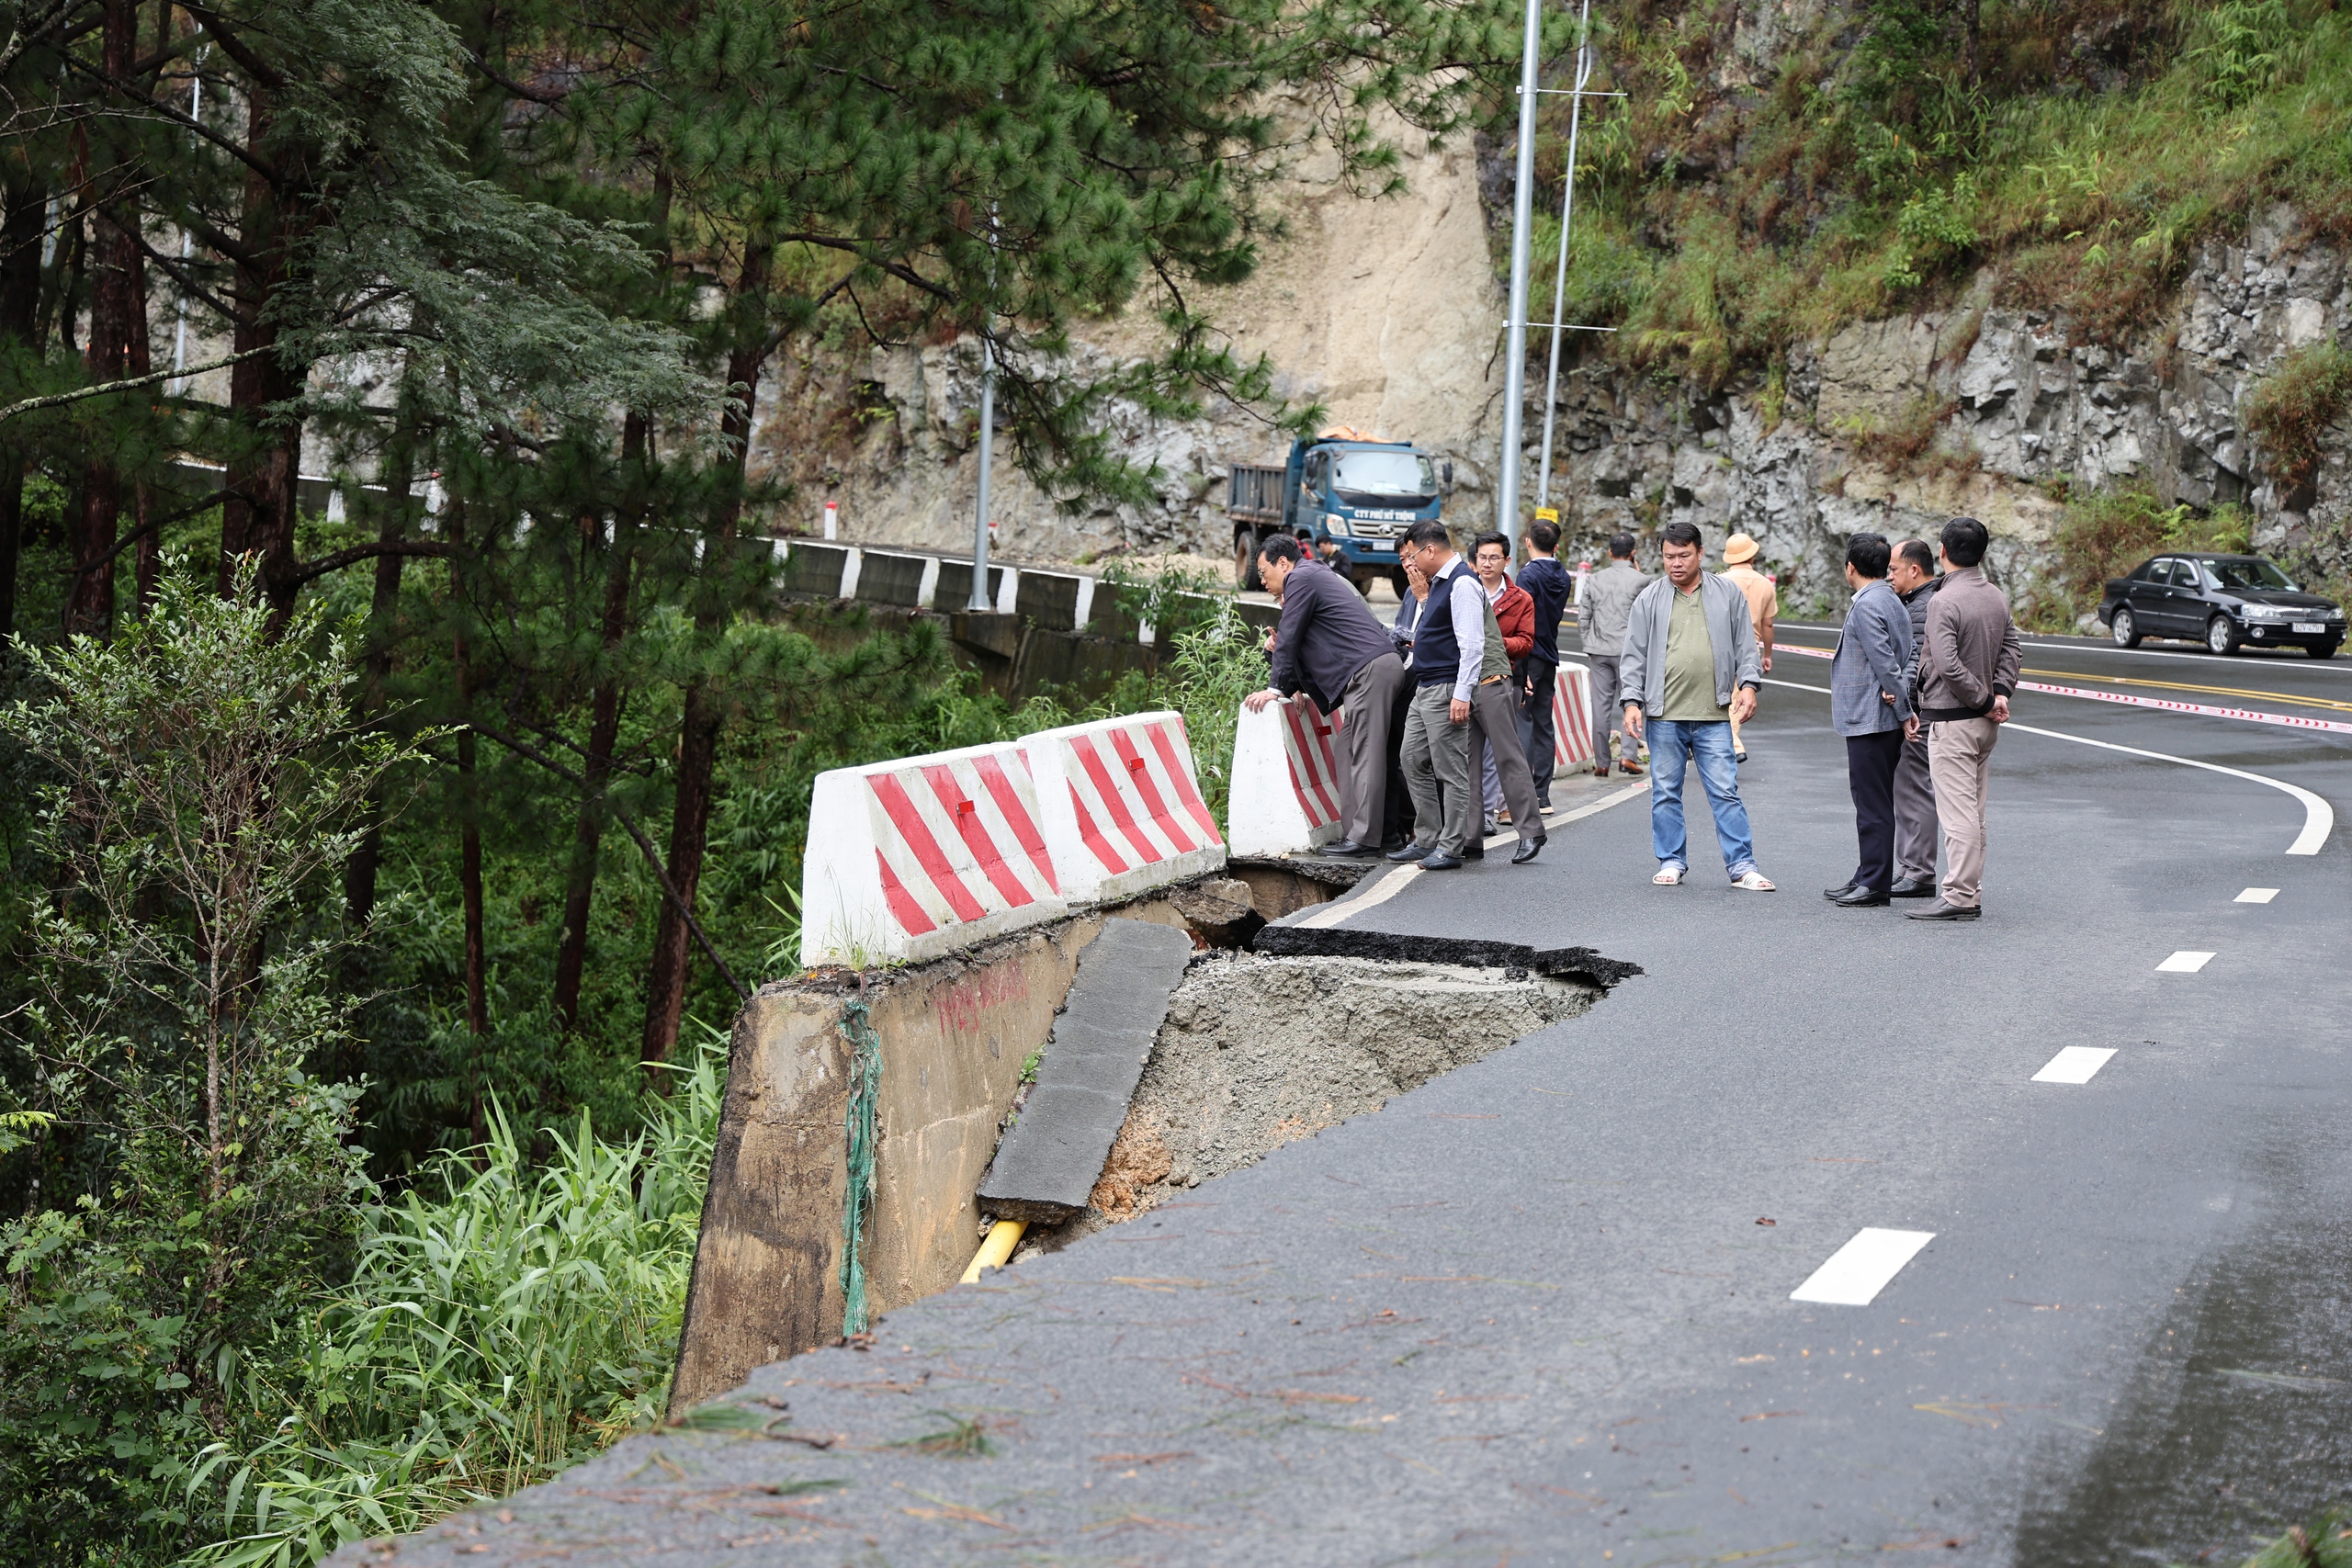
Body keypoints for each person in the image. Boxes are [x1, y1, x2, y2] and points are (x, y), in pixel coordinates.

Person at [1618, 521, 1773, 890]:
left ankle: (1742, 867)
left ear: (1700, 553)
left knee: (1725, 791)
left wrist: (1749, 685)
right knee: (1665, 792)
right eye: (1669, 556)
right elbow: (1633, 655)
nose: (1676, 563)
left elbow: (1745, 646)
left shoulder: (1727, 594)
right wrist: (1631, 701)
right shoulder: (1649, 598)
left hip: (1714, 714)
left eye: (1684, 555)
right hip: (1664, 714)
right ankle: (1671, 860)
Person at [1243, 536, 1410, 857]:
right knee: (1349, 750)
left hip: (1369, 672)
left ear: (1283, 563)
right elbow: (1302, 647)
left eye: (1264, 572)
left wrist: (1274, 688)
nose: (1262, 581)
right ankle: (1384, 834)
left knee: (1365, 756)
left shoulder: (1301, 577)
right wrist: (1289, 681)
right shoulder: (1316, 576)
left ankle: (1364, 840)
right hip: (1376, 670)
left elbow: (1290, 636)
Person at [1390, 521, 1545, 868]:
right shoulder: (1440, 584)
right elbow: (1440, 632)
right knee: (1466, 763)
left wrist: (1462, 692)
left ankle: (1531, 830)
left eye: (1412, 555)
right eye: (1483, 556)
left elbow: (1475, 645)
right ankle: (1469, 838)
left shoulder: (1464, 584)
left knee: (1506, 756)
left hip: (1486, 681)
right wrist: (1424, 600)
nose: (1410, 564)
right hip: (1457, 682)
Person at [1907, 516, 2021, 922]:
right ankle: (1968, 891)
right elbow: (2012, 646)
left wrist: (1985, 699)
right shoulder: (1995, 596)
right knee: (1975, 811)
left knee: (1957, 814)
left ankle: (1958, 895)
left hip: (1953, 720)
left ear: (1942, 551)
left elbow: (1948, 664)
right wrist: (2000, 693)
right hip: (1983, 724)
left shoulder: (1943, 600)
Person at [1823, 533, 1914, 907]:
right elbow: (1906, 656)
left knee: (1871, 803)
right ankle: (1866, 873)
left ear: (1850, 567)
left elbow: (1885, 664)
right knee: (1873, 799)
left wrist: (1904, 711)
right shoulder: (1890, 598)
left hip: (1870, 718)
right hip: (1878, 717)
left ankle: (1875, 883)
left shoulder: (1866, 606)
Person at [1887, 539, 1941, 897]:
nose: (1888, 575)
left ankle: (1919, 872)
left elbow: (1917, 664)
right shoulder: (1920, 601)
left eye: (1893, 569)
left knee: (1914, 789)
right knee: (1907, 789)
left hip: (1918, 717)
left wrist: (1905, 711)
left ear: (1914, 569)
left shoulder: (1922, 607)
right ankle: (1909, 865)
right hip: (1922, 713)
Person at [1471, 532, 1535, 830]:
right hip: (1464, 679)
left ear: (1507, 560)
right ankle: (1472, 821)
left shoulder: (1520, 599)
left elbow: (1525, 642)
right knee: (1466, 752)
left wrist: (1491, 641)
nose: (1487, 563)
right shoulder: (1465, 590)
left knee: (1496, 753)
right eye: (1482, 557)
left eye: (1494, 557)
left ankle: (1489, 815)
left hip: (1500, 678)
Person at [1580, 533, 1649, 779]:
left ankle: (1602, 762)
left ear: (1610, 553)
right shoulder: (1643, 580)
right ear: (1633, 553)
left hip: (1598, 650)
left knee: (1601, 708)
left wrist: (1588, 645)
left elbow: (1583, 617)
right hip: (1629, 652)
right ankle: (1628, 757)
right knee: (1632, 703)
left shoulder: (1594, 579)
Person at [1517, 519, 1573, 810]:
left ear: (1528, 542)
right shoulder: (1563, 576)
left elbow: (1519, 617)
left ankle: (1524, 792)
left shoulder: (1526, 577)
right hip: (1550, 652)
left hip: (1527, 654)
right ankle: (1543, 794)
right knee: (1543, 723)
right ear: (1556, 546)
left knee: (1521, 721)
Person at [1719, 533, 1778, 763]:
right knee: (1738, 696)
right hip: (1749, 646)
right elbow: (1768, 624)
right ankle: (1732, 743)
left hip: (1721, 644)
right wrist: (1768, 654)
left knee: (1722, 696)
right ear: (1752, 554)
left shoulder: (1720, 580)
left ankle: (1733, 743)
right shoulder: (1765, 584)